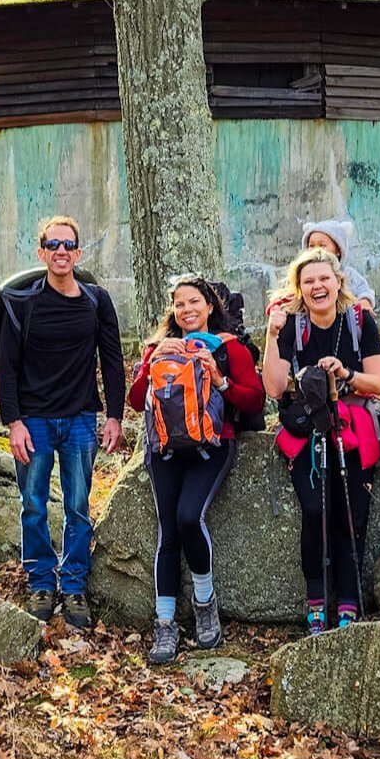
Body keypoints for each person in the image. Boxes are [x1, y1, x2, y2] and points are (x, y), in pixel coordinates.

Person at [127, 275, 265, 664]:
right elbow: (136, 401)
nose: (186, 310)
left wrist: (219, 380)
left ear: (209, 306)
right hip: (165, 448)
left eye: (194, 302)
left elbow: (255, 401)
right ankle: (165, 623)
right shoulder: (160, 346)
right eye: (179, 304)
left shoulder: (229, 347)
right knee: (167, 530)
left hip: (213, 444)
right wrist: (152, 361)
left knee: (189, 516)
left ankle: (205, 604)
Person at [0, 215, 125, 628]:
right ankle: (40, 581)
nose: (61, 251)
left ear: (78, 252)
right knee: (33, 504)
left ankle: (73, 585)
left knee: (78, 505)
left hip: (80, 419)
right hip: (34, 419)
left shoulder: (96, 301)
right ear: (41, 253)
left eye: (68, 245)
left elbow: (112, 360)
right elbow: (7, 368)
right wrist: (13, 422)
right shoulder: (22, 303)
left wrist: (115, 415)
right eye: (53, 245)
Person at [262, 248, 380, 633]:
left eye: (323, 279)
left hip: (352, 426)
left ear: (338, 282)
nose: (317, 287)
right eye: (308, 281)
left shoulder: (360, 321)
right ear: (299, 288)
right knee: (315, 511)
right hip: (309, 428)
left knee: (351, 515)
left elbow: (377, 384)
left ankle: (348, 599)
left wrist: (345, 373)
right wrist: (271, 335)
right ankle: (316, 596)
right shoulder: (291, 326)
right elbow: (274, 388)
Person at [301, 219, 377, 313]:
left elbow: (364, 291)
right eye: (311, 245)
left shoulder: (349, 274)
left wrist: (365, 301)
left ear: (338, 250)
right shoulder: (302, 274)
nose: (316, 250)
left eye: (322, 245)